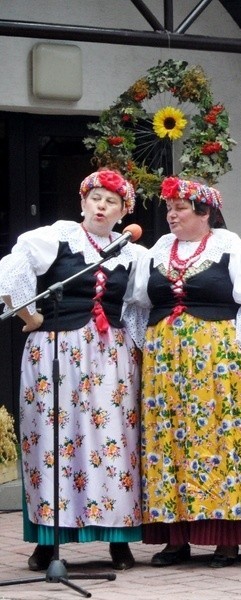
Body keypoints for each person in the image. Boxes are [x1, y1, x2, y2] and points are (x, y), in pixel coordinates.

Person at [132, 177, 241, 568]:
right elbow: (136, 308)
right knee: (170, 445)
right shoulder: (157, 251)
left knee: (222, 444)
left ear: (205, 213)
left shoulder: (230, 247)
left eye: (180, 208)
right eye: (169, 209)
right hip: (166, 370)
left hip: (218, 363)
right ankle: (176, 538)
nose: (171, 215)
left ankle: (230, 537)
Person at [0, 170, 143, 571]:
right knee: (52, 441)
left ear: (122, 211)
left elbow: (137, 309)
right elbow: (10, 273)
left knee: (113, 442)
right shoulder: (54, 238)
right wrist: (29, 316)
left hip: (111, 358)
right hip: (54, 353)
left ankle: (118, 539)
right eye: (95, 198)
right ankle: (48, 542)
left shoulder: (132, 254)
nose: (101, 205)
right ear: (83, 202)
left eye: (111, 201)